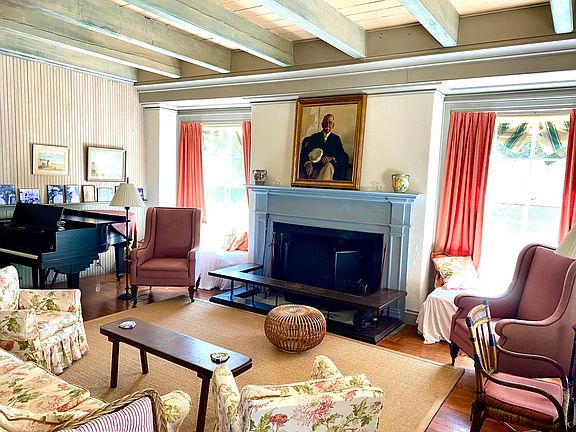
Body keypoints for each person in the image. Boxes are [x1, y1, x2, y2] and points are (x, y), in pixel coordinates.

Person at [299, 114, 349, 180]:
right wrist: (307, 163)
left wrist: (332, 158)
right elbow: (304, 154)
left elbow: (343, 156)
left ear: (333, 125)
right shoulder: (314, 137)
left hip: (329, 169)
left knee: (328, 166)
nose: (327, 125)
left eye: (330, 123)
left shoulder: (336, 139)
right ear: (322, 124)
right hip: (315, 168)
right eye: (325, 122)